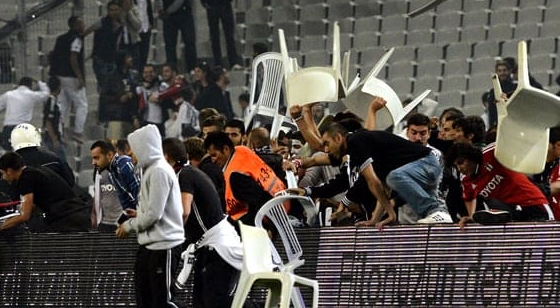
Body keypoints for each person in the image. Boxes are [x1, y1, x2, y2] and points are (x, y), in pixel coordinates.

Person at [116, 125, 229, 308]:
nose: (131, 154)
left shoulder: (158, 171)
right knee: (146, 305)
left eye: (134, 149)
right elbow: (155, 209)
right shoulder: (151, 170)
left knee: (165, 302)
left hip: (164, 245)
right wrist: (138, 215)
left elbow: (154, 215)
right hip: (150, 245)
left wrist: (130, 225)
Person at [162, 137, 259, 308]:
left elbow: (184, 212)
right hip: (208, 243)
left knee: (216, 301)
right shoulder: (190, 173)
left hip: (217, 244)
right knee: (202, 304)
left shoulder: (185, 176)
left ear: (167, 157)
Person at [301, 122, 448, 228]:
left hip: (426, 163)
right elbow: (380, 188)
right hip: (425, 165)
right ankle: (439, 213)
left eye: (327, 143)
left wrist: (345, 202)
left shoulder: (356, 142)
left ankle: (435, 211)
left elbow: (372, 183)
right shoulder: (366, 151)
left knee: (393, 178)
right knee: (391, 179)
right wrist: (376, 219)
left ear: (339, 138)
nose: (326, 149)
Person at [449, 142, 552, 228]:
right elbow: (469, 197)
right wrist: (472, 217)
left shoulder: (491, 153)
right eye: (455, 166)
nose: (459, 169)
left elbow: (507, 140)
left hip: (534, 203)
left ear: (471, 157)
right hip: (513, 212)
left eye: (461, 162)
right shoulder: (466, 180)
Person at [0, 151, 89, 234]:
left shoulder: (25, 179)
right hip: (77, 216)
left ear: (9, 171)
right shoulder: (34, 171)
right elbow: (30, 206)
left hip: (68, 220)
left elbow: (24, 215)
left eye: (3, 174)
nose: (3, 178)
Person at [203, 131, 285, 224]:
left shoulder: (236, 175)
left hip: (268, 218)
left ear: (226, 149)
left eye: (214, 155)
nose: (213, 161)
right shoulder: (242, 151)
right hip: (281, 200)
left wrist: (271, 227)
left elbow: (259, 201)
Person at [48, 15, 87, 143]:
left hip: (60, 76)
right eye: (81, 23)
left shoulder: (61, 38)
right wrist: (79, 77)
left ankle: (59, 131)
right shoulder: (77, 39)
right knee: (82, 105)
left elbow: (52, 55)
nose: (84, 25)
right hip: (71, 76)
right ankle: (78, 132)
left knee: (63, 105)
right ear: (76, 25)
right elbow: (73, 58)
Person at [153, 0, 197, 71]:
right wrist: (160, 10)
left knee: (189, 41)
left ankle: (192, 69)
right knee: (169, 44)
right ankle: (172, 71)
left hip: (184, 14)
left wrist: (167, 11)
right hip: (169, 18)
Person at [0, 77, 50, 148]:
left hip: (8, 129)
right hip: (22, 130)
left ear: (19, 85)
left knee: (9, 152)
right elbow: (46, 94)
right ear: (30, 86)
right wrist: (39, 82)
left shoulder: (9, 94)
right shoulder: (32, 95)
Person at [91, 140, 140, 224]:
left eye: (97, 158)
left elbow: (139, 194)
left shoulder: (124, 165)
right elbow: (127, 203)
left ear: (110, 155)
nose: (93, 163)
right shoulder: (111, 173)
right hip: (113, 222)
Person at [125, 0, 153, 71]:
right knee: (136, 57)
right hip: (135, 29)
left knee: (144, 56)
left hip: (146, 28)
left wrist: (151, 22)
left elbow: (148, 8)